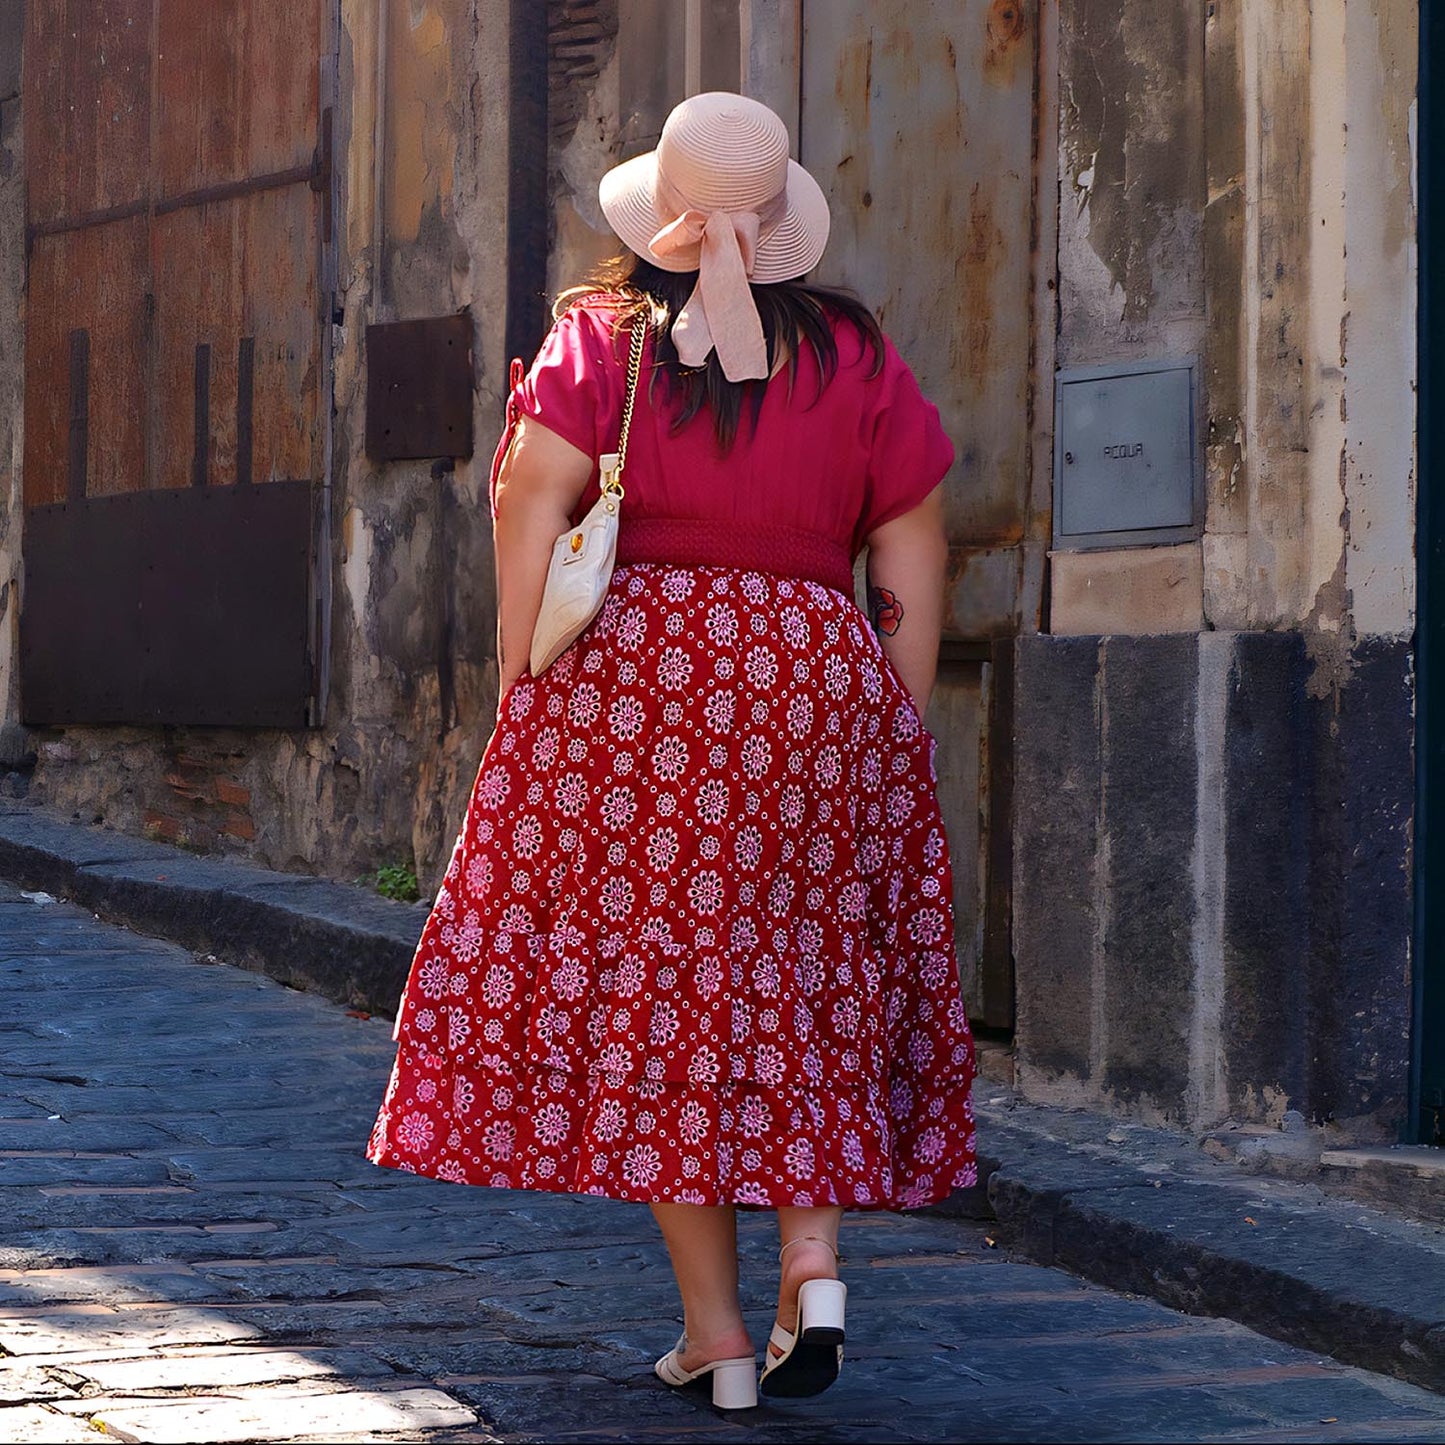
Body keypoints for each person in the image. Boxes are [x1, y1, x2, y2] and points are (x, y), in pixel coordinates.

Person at [368, 91, 977, 1410]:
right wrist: (892, 713)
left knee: (662, 998)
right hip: (813, 679)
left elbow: (533, 497)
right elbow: (914, 539)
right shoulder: (855, 356)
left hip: (636, 694)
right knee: (800, 967)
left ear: (659, 217)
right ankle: (809, 1262)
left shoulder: (603, 339)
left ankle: (714, 1342)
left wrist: (526, 669)